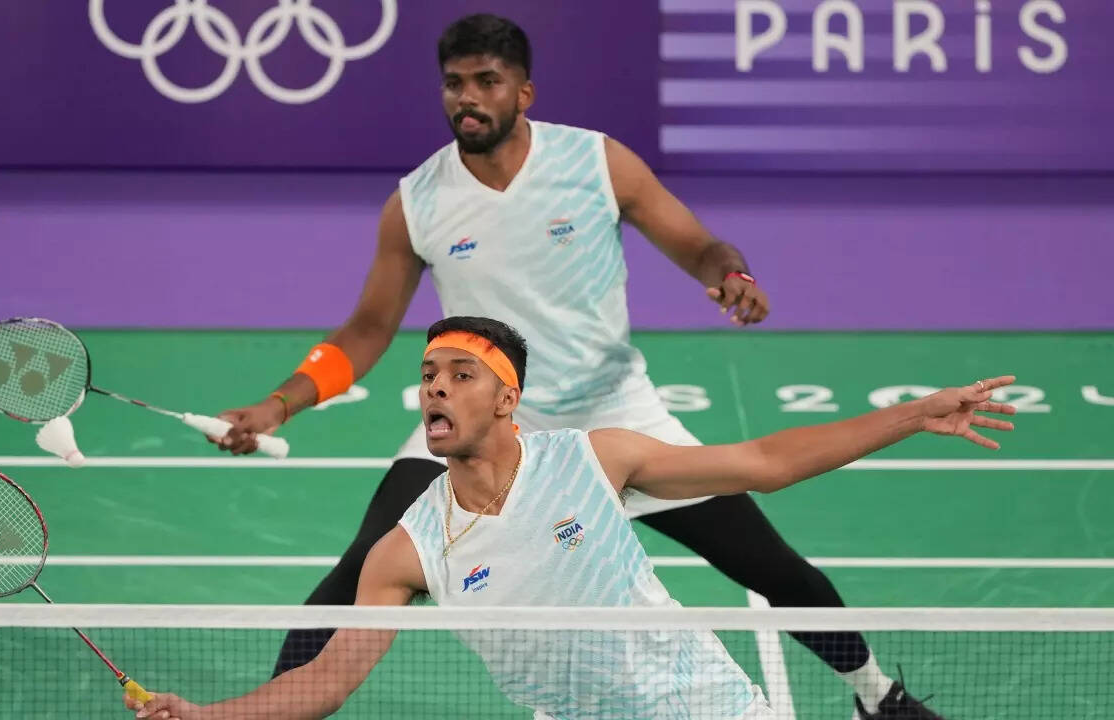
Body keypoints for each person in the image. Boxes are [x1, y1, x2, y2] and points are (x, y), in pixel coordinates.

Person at [213, 13, 938, 718]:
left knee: (770, 566)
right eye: (455, 83)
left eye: (487, 81)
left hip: (613, 416)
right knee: (355, 573)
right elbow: (369, 329)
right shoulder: (417, 203)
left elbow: (697, 245)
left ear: (523, 92)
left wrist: (728, 274)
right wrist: (280, 404)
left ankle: (879, 697)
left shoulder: (596, 163)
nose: (468, 97)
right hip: (488, 420)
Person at [139, 316, 1016, 720]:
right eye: (428, 374)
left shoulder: (595, 459)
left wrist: (914, 414)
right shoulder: (405, 550)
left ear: (507, 400)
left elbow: (765, 464)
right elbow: (326, 682)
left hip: (707, 708)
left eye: (460, 374)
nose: (436, 386)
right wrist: (207, 717)